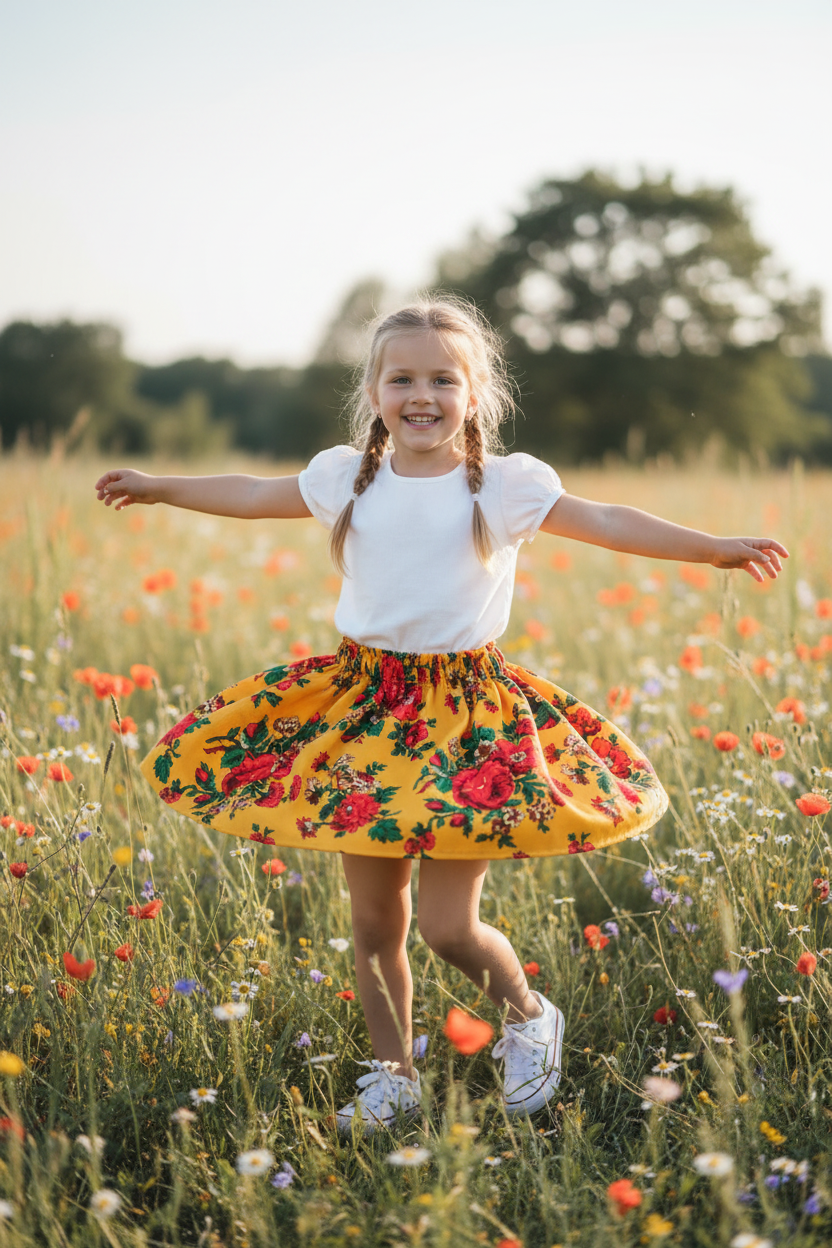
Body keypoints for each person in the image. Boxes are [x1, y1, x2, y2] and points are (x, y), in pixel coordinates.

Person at [94, 297, 788, 1137]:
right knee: (375, 922)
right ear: (376, 390)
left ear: (474, 391)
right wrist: (158, 487)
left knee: (447, 926)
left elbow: (605, 520)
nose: (420, 395)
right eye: (402, 379)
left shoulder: (503, 486)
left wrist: (713, 547)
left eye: (441, 379)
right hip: (364, 712)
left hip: (467, 721)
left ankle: (529, 1015)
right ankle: (394, 1078)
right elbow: (250, 491)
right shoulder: (348, 477)